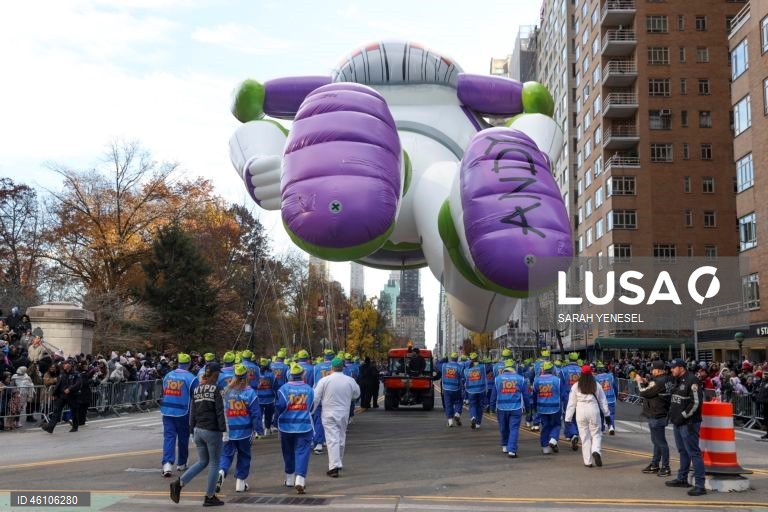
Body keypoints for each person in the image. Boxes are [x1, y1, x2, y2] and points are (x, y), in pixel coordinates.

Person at [170, 362, 227, 507]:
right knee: (214, 463)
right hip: (212, 430)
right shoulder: (217, 389)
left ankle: (179, 483)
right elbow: (221, 412)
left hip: (198, 430)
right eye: (218, 374)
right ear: (215, 374)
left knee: (202, 461)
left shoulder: (197, 389)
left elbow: (193, 412)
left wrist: (191, 429)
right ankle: (210, 496)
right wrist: (224, 430)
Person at [217, 364, 263, 494]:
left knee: (226, 455)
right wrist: (259, 429)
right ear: (246, 377)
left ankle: (221, 472)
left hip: (229, 430)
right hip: (245, 431)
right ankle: (240, 483)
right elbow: (255, 414)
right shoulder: (250, 393)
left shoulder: (226, 391)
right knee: (244, 456)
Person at [665, 358, 706, 496]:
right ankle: (682, 478)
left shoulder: (692, 380)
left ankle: (700, 485)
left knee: (693, 452)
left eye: (673, 367)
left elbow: (696, 403)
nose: (671, 369)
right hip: (678, 422)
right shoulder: (677, 380)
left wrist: (682, 416)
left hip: (689, 423)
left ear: (681, 368)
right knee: (682, 451)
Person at [313, 357, 360, 478]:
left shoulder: (324, 380)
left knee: (332, 439)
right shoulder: (350, 380)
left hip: (328, 412)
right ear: (342, 367)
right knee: (341, 437)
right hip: (343, 411)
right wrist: (348, 397)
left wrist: (311, 411)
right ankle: (338, 462)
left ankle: (334, 467)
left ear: (332, 367)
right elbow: (357, 394)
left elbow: (316, 397)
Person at [276, 364, 315, 494]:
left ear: (290, 375)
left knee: (287, 452)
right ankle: (300, 479)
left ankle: (289, 478)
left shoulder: (283, 388)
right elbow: (312, 407)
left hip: (286, 427)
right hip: (304, 426)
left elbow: (280, 406)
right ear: (303, 375)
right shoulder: (309, 389)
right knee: (302, 452)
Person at [564, 364, 611, 468]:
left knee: (584, 437)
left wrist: (568, 418)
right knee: (596, 434)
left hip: (580, 410)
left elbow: (571, 403)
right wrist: (607, 415)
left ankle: (588, 461)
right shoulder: (596, 385)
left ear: (581, 373)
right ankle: (596, 450)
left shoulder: (576, 386)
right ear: (591, 373)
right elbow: (603, 401)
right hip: (593, 409)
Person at [160, 353, 198, 477]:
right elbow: (197, 395)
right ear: (189, 364)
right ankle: (182, 463)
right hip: (183, 412)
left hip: (167, 411)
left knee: (169, 437)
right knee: (183, 438)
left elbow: (163, 391)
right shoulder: (191, 378)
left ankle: (167, 464)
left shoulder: (168, 376)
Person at [636, 360, 672, 477]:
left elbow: (643, 392)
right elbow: (654, 390)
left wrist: (639, 382)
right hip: (660, 412)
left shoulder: (658, 381)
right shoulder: (667, 379)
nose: (651, 371)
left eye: (653, 369)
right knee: (657, 441)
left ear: (657, 370)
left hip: (657, 414)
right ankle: (655, 464)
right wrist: (648, 382)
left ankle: (665, 467)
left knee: (660, 442)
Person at [490, 359, 530, 458]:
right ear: (514, 367)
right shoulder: (521, 379)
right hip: (516, 408)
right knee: (514, 428)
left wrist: (491, 408)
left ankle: (504, 445)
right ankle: (512, 450)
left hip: (501, 408)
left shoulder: (497, 379)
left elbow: (494, 395)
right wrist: (528, 408)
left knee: (503, 427)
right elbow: (526, 396)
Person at [41, 358, 82, 433]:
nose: (64, 365)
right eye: (64, 364)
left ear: (70, 365)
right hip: (62, 395)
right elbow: (58, 384)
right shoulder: (62, 373)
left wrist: (70, 389)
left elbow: (78, 384)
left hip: (72, 396)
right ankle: (50, 427)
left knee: (74, 411)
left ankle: (75, 426)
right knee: (56, 411)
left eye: (66, 363)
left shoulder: (76, 374)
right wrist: (55, 394)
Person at [533, 361, 564, 454]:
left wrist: (534, 406)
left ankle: (545, 448)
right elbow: (562, 394)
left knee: (545, 426)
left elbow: (535, 393)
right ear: (552, 369)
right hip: (555, 407)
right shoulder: (557, 380)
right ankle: (553, 439)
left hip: (542, 407)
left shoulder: (537, 380)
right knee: (557, 424)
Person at [463, 353, 487, 430]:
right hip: (481, 390)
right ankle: (478, 423)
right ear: (477, 358)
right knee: (480, 406)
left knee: (472, 405)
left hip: (471, 391)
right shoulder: (482, 367)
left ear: (470, 359)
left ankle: (473, 417)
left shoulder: (467, 369)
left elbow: (465, 379)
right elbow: (489, 366)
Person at [595, 361, 618, 435]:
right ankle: (611, 427)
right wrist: (616, 396)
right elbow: (615, 387)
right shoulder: (610, 376)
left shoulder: (596, 378)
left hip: (601, 399)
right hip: (611, 398)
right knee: (611, 414)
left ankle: (602, 428)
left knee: (601, 414)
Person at [441, 352, 464, 427]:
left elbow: (436, 364)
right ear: (457, 359)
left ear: (451, 358)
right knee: (458, 401)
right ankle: (457, 413)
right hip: (456, 388)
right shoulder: (459, 367)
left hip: (446, 388)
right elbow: (463, 377)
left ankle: (450, 421)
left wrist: (444, 359)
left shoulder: (444, 365)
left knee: (448, 404)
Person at [754, 371, 768, 440]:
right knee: (766, 419)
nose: (765, 375)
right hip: (764, 403)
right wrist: (758, 401)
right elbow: (760, 392)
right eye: (764, 374)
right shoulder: (762, 382)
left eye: (767, 374)